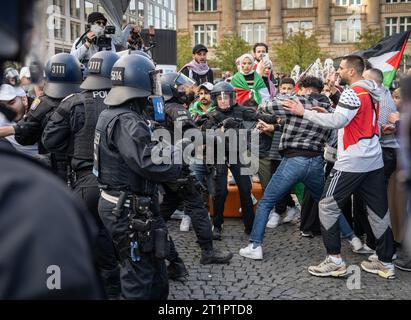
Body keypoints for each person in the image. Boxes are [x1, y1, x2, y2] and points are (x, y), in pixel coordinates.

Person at [0, 0, 104, 299]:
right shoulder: (32, 196)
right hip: (80, 177)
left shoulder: (47, 103)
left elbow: (31, 134)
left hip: (68, 174)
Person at [282, 55, 396, 280]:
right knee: (378, 211)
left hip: (352, 161)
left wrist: (303, 112)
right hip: (373, 159)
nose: (338, 71)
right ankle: (386, 262)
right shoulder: (374, 91)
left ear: (352, 72)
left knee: (326, 206)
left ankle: (334, 260)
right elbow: (352, 119)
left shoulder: (353, 92)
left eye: (341, 68)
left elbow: (338, 122)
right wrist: (331, 113)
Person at [95, 53, 182, 299]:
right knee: (138, 281)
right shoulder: (127, 120)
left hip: (127, 205)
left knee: (154, 276)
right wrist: (177, 157)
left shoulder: (112, 112)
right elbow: (149, 164)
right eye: (152, 80)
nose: (156, 86)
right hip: (129, 210)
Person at [41, 51, 121, 299]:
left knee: (88, 232)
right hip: (122, 182)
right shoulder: (127, 102)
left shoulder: (73, 101)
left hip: (87, 180)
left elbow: (49, 140)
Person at [159, 72, 233, 275]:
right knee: (197, 205)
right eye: (181, 88)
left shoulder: (164, 107)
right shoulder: (175, 109)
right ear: (171, 90)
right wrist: (216, 138)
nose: (185, 90)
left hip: (168, 165)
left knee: (166, 206)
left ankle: (146, 236)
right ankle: (208, 251)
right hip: (177, 167)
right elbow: (192, 134)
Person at [202, 82, 275, 239]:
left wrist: (276, 119)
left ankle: (250, 225)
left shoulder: (240, 110)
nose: (223, 101)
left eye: (226, 97)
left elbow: (258, 116)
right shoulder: (211, 115)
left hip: (238, 152)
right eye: (220, 98)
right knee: (220, 191)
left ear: (232, 97)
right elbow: (206, 135)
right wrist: (221, 127)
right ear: (215, 99)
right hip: (218, 154)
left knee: (245, 188)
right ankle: (217, 224)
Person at [8, 53, 83, 180]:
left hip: (58, 174)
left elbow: (23, 138)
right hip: (80, 174)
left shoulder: (43, 103)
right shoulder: (87, 101)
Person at [0, 84, 38, 157]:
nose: (8, 109)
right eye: (2, 105)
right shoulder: (2, 116)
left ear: (24, 100)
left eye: (11, 102)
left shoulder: (39, 111)